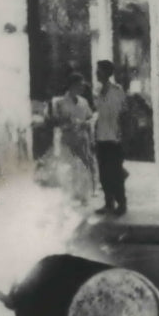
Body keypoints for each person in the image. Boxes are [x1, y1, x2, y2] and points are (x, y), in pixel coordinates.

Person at [52, 73, 95, 204]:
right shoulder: (59, 102)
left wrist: (88, 124)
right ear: (71, 85)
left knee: (83, 167)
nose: (81, 88)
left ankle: (83, 196)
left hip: (82, 138)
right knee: (68, 167)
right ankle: (69, 195)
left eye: (82, 86)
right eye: (79, 85)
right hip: (67, 139)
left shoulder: (84, 102)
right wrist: (69, 123)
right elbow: (56, 121)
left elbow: (90, 117)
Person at [93, 60, 128, 216]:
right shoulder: (98, 91)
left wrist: (123, 134)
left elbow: (124, 113)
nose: (96, 73)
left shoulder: (117, 90)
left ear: (107, 73)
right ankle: (108, 203)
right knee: (104, 174)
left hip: (114, 138)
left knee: (116, 173)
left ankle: (121, 203)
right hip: (101, 137)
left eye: (99, 71)